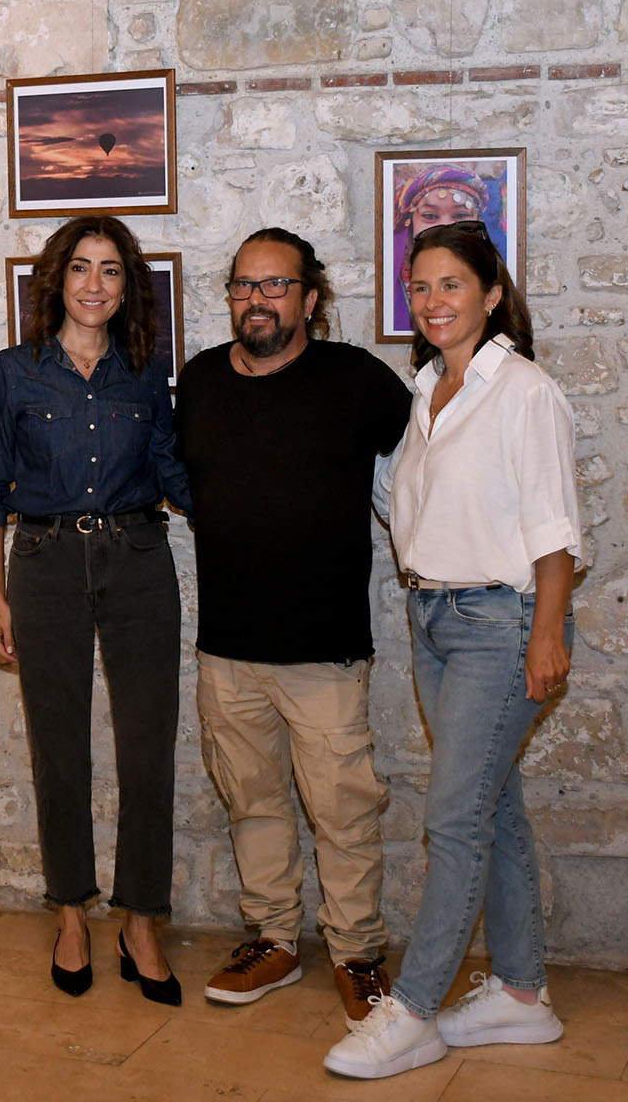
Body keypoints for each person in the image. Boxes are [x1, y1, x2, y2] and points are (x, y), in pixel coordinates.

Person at [324, 219, 581, 1080]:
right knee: (495, 808)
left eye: (452, 285)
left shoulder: (524, 391)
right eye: (421, 287)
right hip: (434, 620)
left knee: (454, 820)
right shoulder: (427, 388)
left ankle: (415, 1009)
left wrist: (546, 632)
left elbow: (554, 529)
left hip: (502, 624)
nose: (434, 301)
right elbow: (409, 509)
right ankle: (520, 995)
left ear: (492, 295)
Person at [174, 229, 411, 1027]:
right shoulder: (201, 380)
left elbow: (429, 462)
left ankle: (356, 953)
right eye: (244, 285)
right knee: (254, 804)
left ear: (311, 299)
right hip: (228, 651)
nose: (257, 300)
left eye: (276, 286)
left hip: (327, 650)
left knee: (343, 810)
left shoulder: (357, 380)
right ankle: (273, 940)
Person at [0, 215, 189, 1007]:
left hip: (139, 564)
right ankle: (69, 912)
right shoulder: (13, 373)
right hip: (45, 564)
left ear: (129, 286)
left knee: (147, 749)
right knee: (59, 750)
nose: (95, 284)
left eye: (113, 271)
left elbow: (173, 470)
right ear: (56, 279)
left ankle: (141, 921)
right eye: (82, 268)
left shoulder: (145, 371)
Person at [389, 164, 493, 334]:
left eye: (460, 215)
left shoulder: (489, 269)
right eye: (430, 216)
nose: (445, 227)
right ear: (411, 222)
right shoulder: (395, 278)